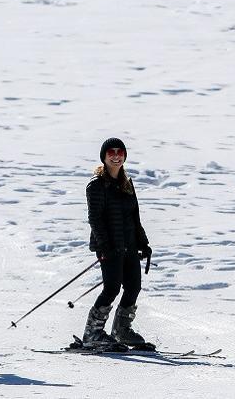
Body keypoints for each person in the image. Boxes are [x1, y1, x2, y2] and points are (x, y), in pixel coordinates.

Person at [82, 137, 154, 349]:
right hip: (110, 247)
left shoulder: (127, 183)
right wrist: (105, 247)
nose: (116, 155)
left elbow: (134, 217)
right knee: (112, 288)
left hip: (129, 245)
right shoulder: (96, 185)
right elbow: (95, 219)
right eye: (111, 152)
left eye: (119, 152)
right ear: (104, 157)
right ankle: (92, 333)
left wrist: (143, 243)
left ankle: (122, 330)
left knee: (133, 287)